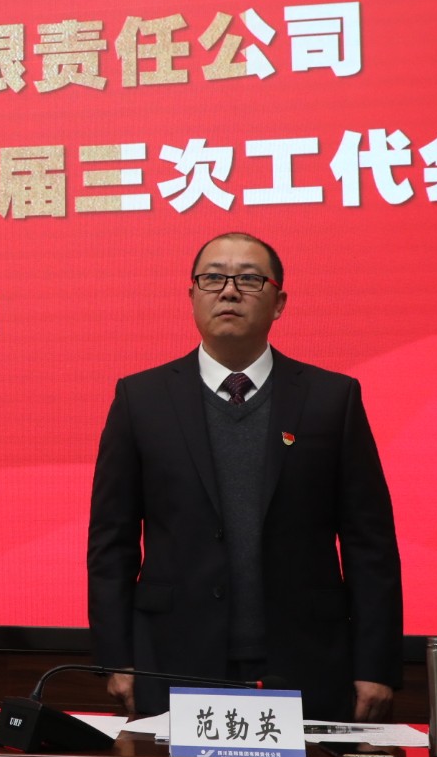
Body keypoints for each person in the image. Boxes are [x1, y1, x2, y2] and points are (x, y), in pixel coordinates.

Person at [87, 232, 402, 722]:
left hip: (307, 658)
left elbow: (370, 544)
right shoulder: (140, 399)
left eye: (249, 280)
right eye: (213, 278)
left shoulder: (331, 398)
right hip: (171, 657)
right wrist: (116, 658)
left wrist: (375, 665)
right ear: (191, 295)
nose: (229, 291)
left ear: (279, 303)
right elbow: (112, 542)